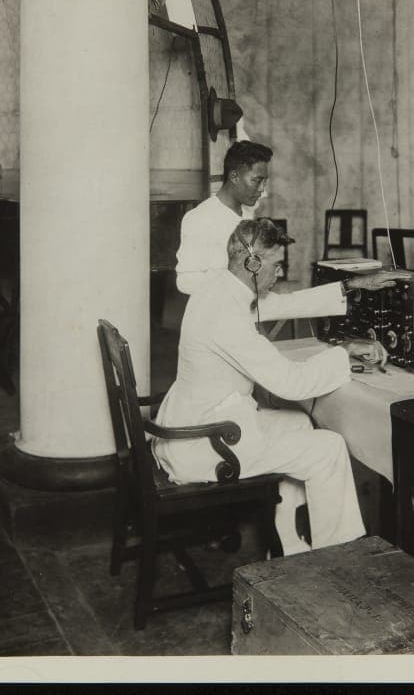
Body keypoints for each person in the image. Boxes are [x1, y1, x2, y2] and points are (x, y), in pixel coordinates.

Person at [154, 219, 389, 555]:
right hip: (201, 445)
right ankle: (339, 562)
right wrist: (344, 352)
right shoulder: (227, 315)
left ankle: (286, 543)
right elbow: (291, 383)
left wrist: (351, 286)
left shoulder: (219, 289)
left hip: (195, 424)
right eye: (276, 265)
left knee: (300, 422)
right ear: (252, 263)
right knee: (329, 447)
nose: (279, 275)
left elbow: (281, 304)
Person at [175, 139, 406, 318]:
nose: (263, 190)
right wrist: (239, 287)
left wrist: (354, 284)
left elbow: (278, 303)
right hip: (218, 321)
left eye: (265, 181)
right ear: (234, 176)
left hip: (247, 315)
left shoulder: (246, 215)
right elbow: (185, 281)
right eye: (257, 180)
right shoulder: (199, 218)